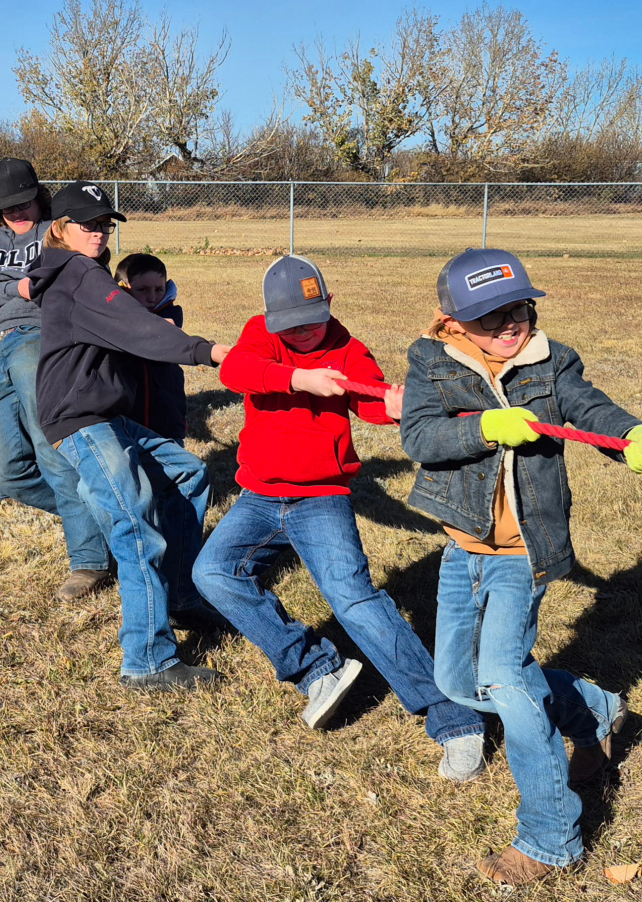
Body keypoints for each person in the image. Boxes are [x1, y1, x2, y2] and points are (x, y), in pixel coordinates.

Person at [400, 247, 642, 884]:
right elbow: (419, 436)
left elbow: (591, 408)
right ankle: (595, 711)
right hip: (462, 548)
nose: (509, 325)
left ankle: (551, 838)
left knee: (505, 679)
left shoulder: (552, 361)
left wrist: (630, 436)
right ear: (453, 322)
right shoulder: (431, 362)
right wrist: (485, 428)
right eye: (490, 317)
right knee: (458, 683)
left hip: (524, 553)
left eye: (518, 309)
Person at [192, 256, 487, 780]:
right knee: (213, 573)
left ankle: (454, 719)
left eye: (312, 320)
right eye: (290, 325)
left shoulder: (348, 349)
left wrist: (391, 407)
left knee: (354, 599)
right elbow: (237, 370)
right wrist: (301, 378)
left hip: (321, 497)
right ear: (269, 316)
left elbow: (368, 400)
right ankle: (316, 669)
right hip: (259, 496)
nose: (302, 332)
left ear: (328, 304)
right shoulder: (261, 336)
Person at [26, 181, 231, 690]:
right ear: (60, 228)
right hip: (81, 419)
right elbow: (140, 327)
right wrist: (208, 352)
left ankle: (180, 596)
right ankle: (147, 660)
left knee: (188, 475)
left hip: (106, 415)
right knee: (136, 526)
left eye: (104, 223)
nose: (98, 232)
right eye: (87, 223)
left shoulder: (80, 272)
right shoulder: (77, 272)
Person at [0, 159, 111, 600]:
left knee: (51, 447)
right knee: (6, 470)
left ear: (39, 197)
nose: (16, 212)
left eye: (23, 202)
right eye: (7, 206)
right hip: (1, 349)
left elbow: (90, 265)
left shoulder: (56, 232)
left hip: (42, 339)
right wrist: (17, 287)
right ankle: (100, 516)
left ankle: (89, 559)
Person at [114, 253, 187, 443]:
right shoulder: (113, 318)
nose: (153, 297)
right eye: (143, 290)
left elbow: (164, 329)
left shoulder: (171, 313)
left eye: (159, 289)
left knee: (172, 448)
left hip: (167, 412)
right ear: (124, 290)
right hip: (128, 413)